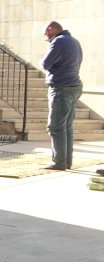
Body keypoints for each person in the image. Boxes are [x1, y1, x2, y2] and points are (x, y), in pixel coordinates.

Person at [40, 21, 83, 170]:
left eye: (46, 31)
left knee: (56, 127)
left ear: (52, 29)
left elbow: (45, 63)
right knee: (67, 127)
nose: (45, 34)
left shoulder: (58, 41)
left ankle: (59, 162)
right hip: (74, 85)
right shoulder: (74, 41)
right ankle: (66, 161)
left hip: (61, 87)